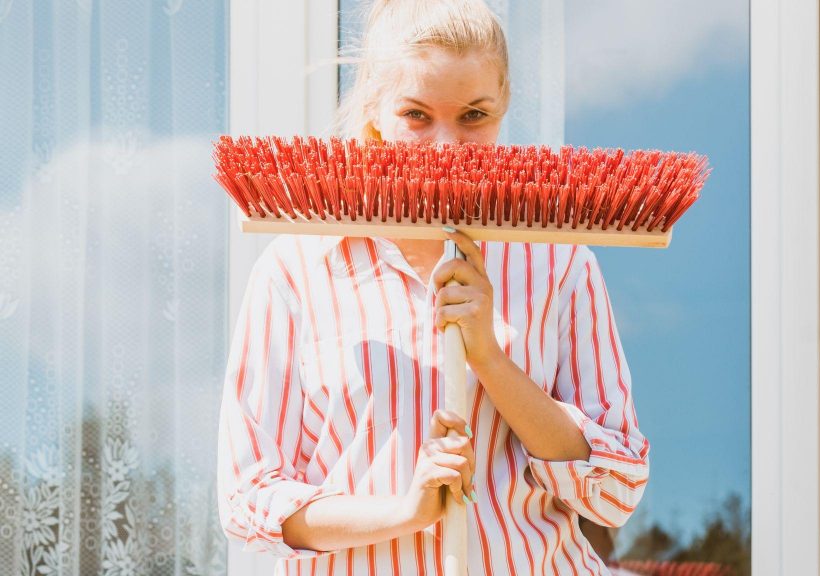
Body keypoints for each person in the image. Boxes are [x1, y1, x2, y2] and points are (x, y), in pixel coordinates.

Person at [216, 1, 649, 574]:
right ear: (374, 110)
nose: (446, 147)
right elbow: (249, 499)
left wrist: (489, 358)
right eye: (416, 115)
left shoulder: (559, 262)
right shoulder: (296, 270)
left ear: (505, 105)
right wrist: (404, 512)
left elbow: (615, 489)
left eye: (474, 115)